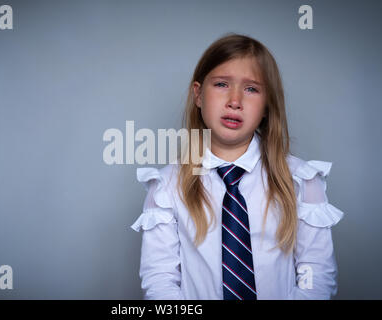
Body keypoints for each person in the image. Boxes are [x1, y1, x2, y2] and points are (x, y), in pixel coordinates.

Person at [130, 33, 344, 300]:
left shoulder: (302, 181)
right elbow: (160, 281)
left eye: (251, 89)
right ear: (198, 95)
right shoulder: (165, 186)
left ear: (267, 106)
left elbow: (316, 275)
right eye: (221, 84)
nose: (235, 100)